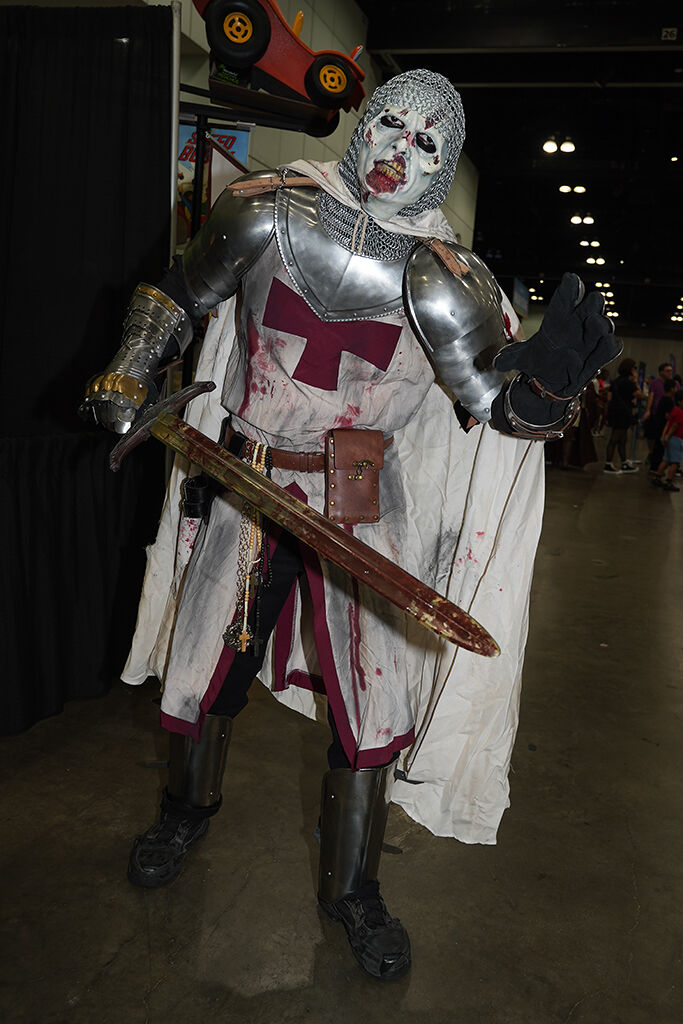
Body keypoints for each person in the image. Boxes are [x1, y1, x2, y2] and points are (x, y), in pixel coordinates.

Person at [81, 70, 618, 980]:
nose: (394, 154)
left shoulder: (445, 283)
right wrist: (130, 370)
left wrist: (549, 393)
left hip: (361, 508)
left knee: (370, 703)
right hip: (248, 479)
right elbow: (179, 292)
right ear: (362, 126)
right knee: (208, 666)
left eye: (421, 144)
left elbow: (490, 409)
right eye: (388, 126)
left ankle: (354, 890)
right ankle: (182, 814)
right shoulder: (264, 213)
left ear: (441, 167)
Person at [603, 358, 642, 474]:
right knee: (616, 438)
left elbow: (609, 397)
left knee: (622, 439)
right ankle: (608, 464)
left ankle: (624, 462)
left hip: (615, 411)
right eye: (634, 368)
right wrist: (635, 380)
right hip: (624, 413)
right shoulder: (628, 383)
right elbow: (639, 394)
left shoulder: (616, 381)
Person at [651, 388, 683, 492]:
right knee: (675, 462)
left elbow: (668, 424)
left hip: (669, 439)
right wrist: (668, 436)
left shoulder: (674, 410)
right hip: (676, 439)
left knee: (666, 459)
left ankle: (657, 477)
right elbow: (674, 426)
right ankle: (668, 481)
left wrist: (664, 436)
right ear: (680, 401)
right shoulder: (680, 413)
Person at [642, 361, 673, 461]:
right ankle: (652, 454)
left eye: (670, 371)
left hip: (670, 414)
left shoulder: (673, 383)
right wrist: (648, 410)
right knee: (652, 434)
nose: (669, 373)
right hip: (657, 412)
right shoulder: (655, 383)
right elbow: (651, 396)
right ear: (661, 372)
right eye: (667, 371)